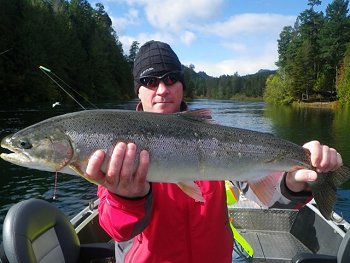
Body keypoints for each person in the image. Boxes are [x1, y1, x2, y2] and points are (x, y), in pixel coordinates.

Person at [84, 40, 343, 262]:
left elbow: (271, 198)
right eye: (150, 81)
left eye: (171, 79)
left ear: (182, 86)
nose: (162, 90)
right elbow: (118, 231)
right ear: (138, 91)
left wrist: (294, 184)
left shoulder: (216, 139)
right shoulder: (119, 146)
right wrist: (128, 199)